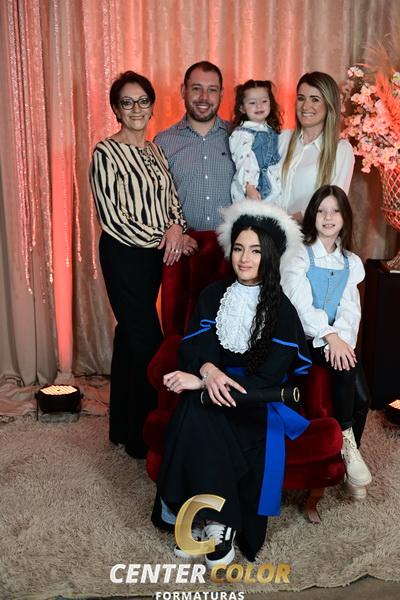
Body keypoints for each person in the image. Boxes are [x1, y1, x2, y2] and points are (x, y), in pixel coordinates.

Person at [152, 201, 312, 567]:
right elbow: (195, 345)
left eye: (255, 250)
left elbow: (270, 378)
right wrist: (207, 371)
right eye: (239, 248)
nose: (244, 258)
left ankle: (204, 518)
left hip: (259, 399)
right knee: (198, 407)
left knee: (200, 407)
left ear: (269, 256)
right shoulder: (213, 295)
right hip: (214, 386)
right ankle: (217, 522)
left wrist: (200, 383)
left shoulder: (282, 311)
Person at [90, 71, 187, 459]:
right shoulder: (105, 153)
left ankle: (123, 427)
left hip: (154, 258)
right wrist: (165, 238)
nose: (136, 109)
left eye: (142, 101)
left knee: (129, 336)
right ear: (116, 109)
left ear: (151, 106)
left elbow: (172, 199)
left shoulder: (155, 151)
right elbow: (113, 217)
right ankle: (146, 434)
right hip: (124, 254)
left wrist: (177, 226)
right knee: (148, 342)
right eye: (127, 102)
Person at [280, 185, 371, 499]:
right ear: (312, 215)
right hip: (305, 338)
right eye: (321, 210)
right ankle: (346, 441)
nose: (328, 217)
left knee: (363, 397)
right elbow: (299, 306)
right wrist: (329, 336)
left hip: (335, 339)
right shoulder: (299, 255)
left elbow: (350, 309)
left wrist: (341, 340)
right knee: (344, 370)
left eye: (335, 211)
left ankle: (350, 456)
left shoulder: (350, 262)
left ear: (345, 217)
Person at [154, 61, 235, 244]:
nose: (204, 97)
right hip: (182, 248)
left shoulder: (239, 137)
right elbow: (155, 202)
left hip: (232, 248)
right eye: (196, 88)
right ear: (183, 91)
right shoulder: (163, 143)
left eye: (212, 90)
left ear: (221, 94)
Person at [269, 72, 354, 221]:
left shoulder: (341, 150)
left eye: (315, 99)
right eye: (301, 98)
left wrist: (287, 222)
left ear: (329, 105)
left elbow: (334, 205)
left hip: (309, 233)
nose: (305, 106)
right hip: (270, 230)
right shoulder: (282, 138)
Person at [229, 79, 282, 202]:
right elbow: (244, 159)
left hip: (271, 186)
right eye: (252, 102)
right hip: (253, 188)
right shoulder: (243, 133)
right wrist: (249, 186)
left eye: (264, 101)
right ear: (242, 108)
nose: (259, 106)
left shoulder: (270, 131)